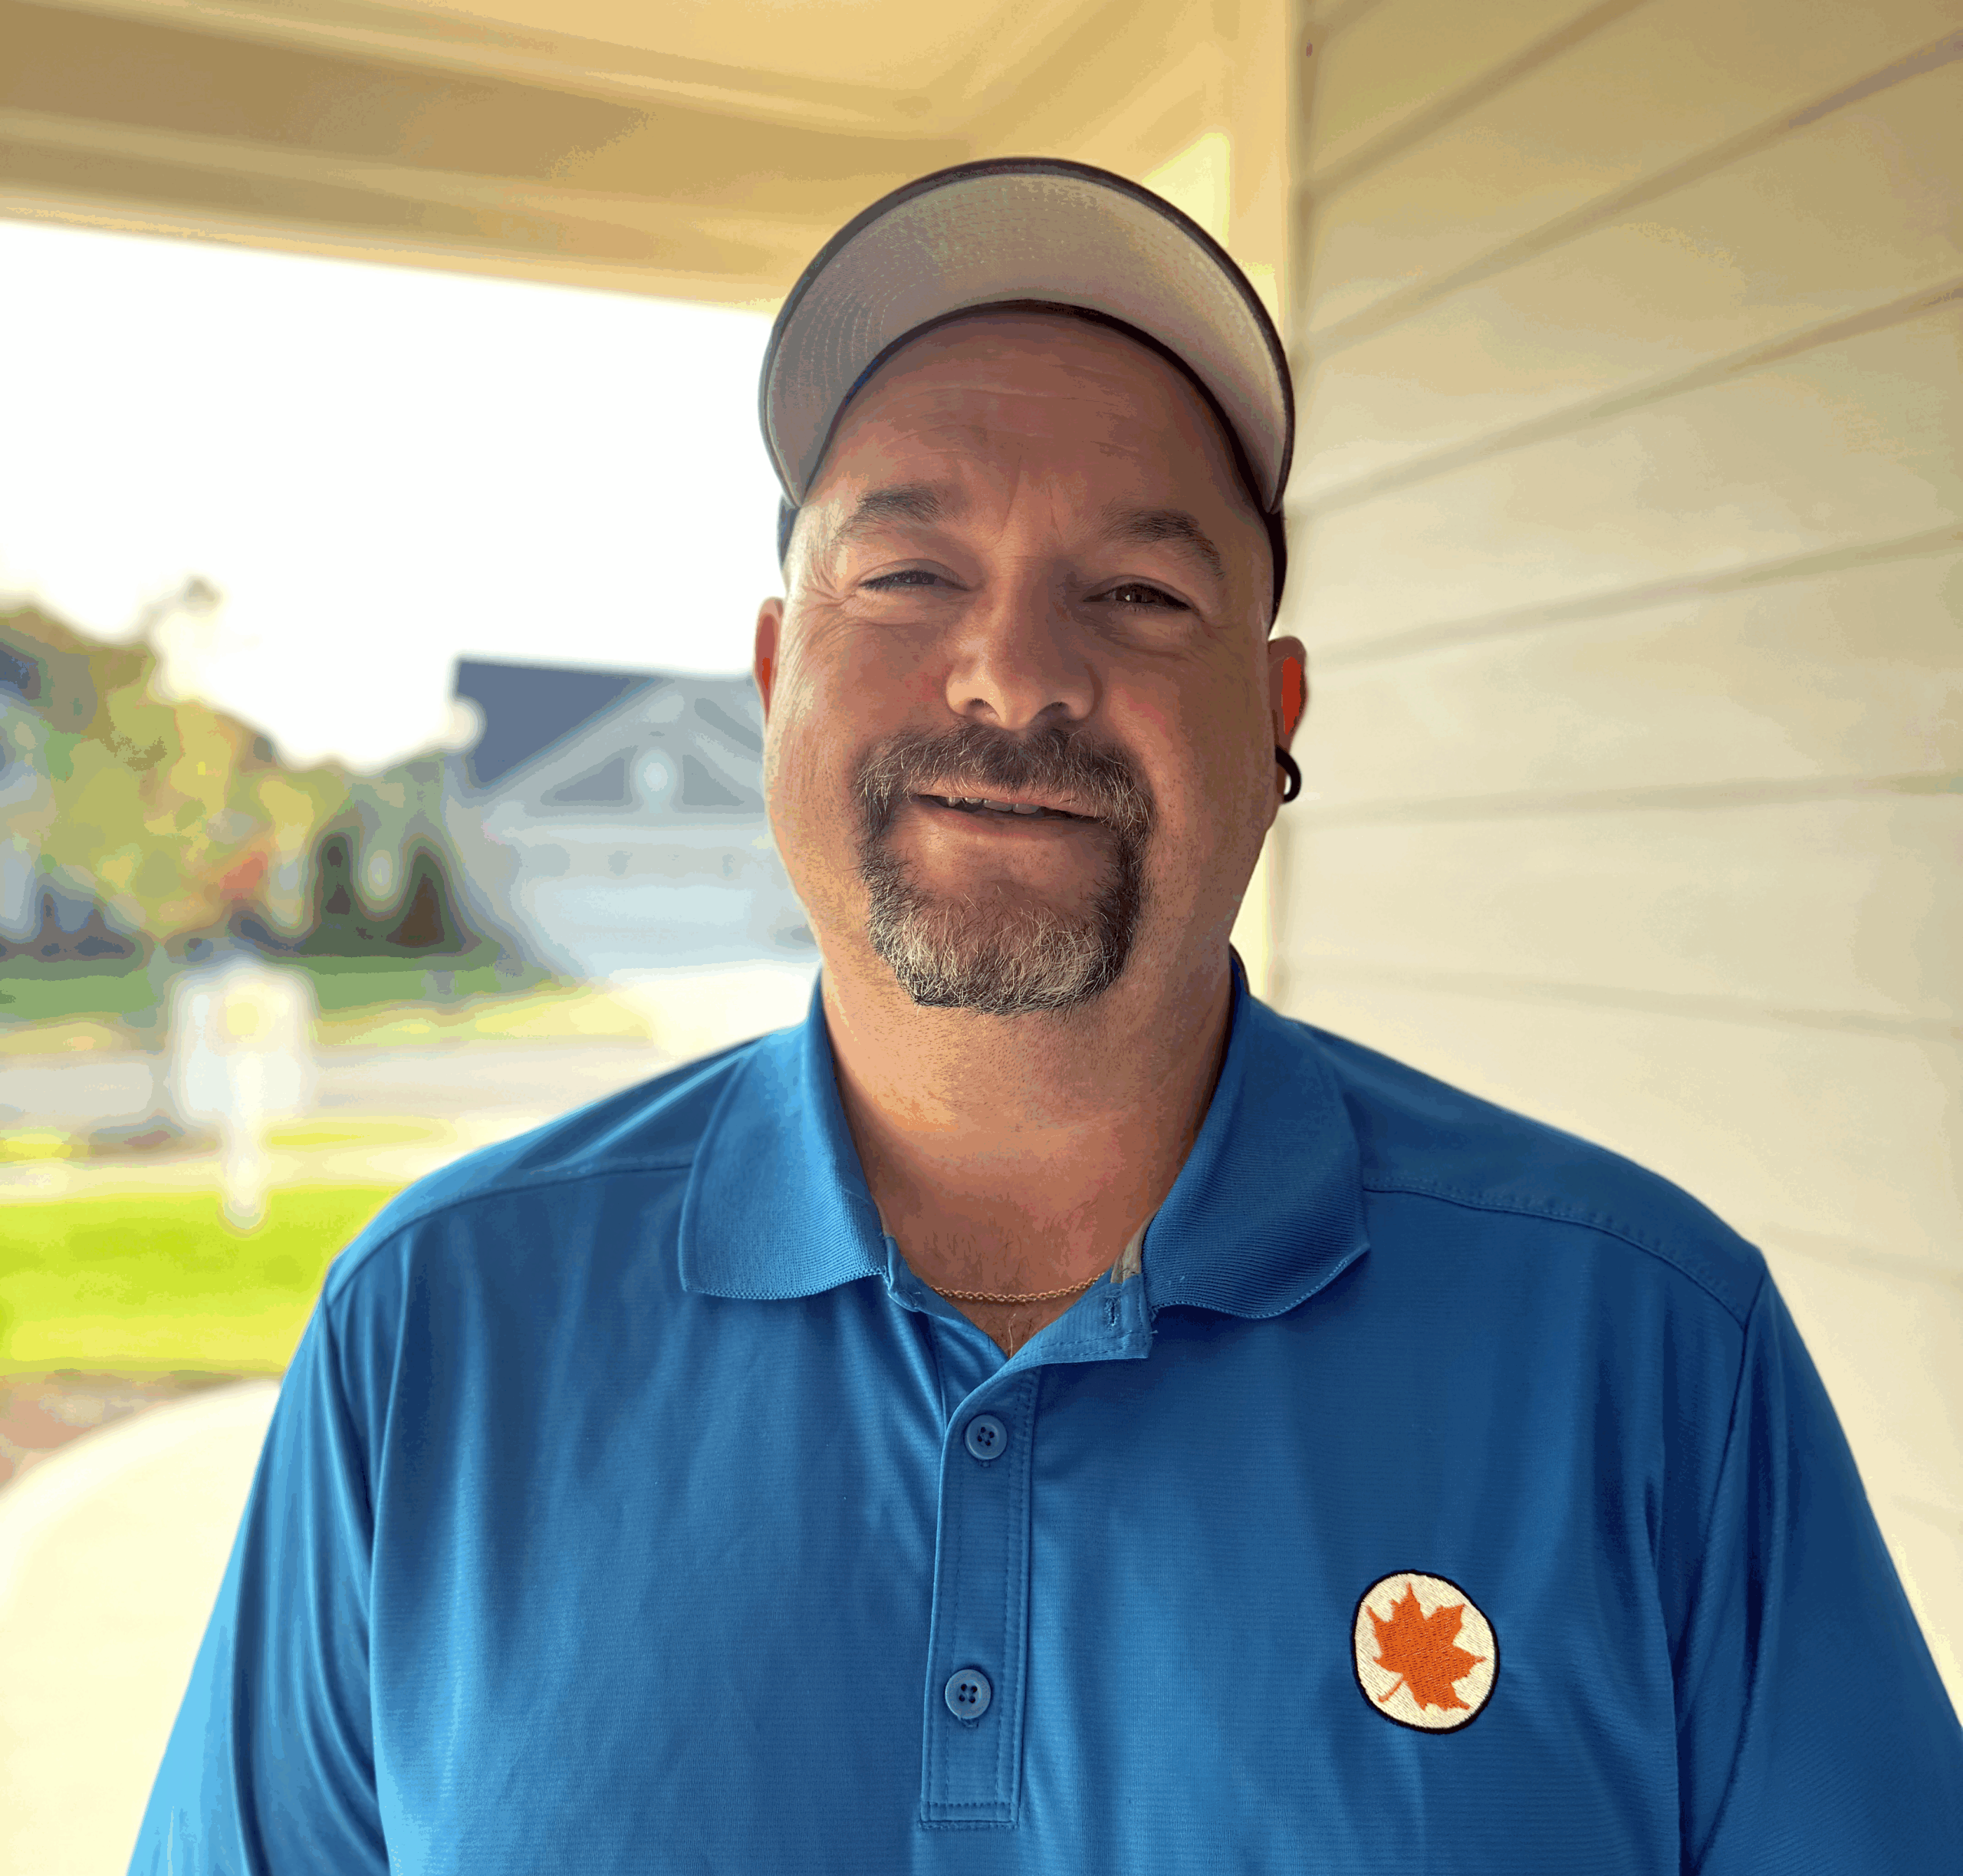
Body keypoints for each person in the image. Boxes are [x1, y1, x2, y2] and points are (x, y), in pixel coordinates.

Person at [132, 158, 1959, 1874]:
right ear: (776, 674)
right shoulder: (437, 1331)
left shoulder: (1646, 1350)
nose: (1014, 670)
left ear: (1274, 716)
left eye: (1140, 592)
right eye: (910, 574)